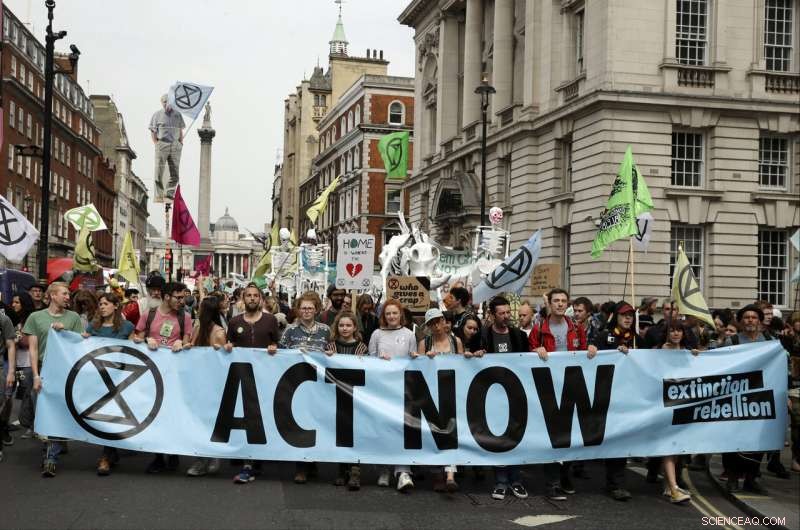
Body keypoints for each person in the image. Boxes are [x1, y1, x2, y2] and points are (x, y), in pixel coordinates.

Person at [529, 288, 597, 501]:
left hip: (570, 386)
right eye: (556, 300)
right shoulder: (539, 327)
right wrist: (534, 351)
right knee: (552, 435)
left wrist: (592, 349)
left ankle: (564, 475)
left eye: (563, 301)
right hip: (548, 387)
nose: (560, 304)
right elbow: (525, 353)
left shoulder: (576, 328)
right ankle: (552, 483)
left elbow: (584, 350)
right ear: (549, 303)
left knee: (570, 435)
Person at [24, 282, 85, 477]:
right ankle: (56, 442)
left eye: (68, 294)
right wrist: (35, 375)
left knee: (56, 412)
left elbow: (80, 343)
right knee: (42, 412)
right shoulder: (36, 318)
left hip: (65, 371)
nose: (68, 297)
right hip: (42, 368)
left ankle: (50, 459)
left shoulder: (73, 318)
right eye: (65, 294)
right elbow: (33, 349)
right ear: (52, 296)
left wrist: (65, 333)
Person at [133, 281, 192, 474]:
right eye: (178, 297)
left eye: (183, 297)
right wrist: (145, 340)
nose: (182, 301)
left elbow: (188, 342)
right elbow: (135, 338)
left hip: (174, 375)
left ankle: (173, 453)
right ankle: (157, 456)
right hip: (151, 374)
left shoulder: (185, 318)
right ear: (167, 296)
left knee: (172, 414)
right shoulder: (149, 315)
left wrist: (182, 345)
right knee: (153, 414)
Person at [225, 283, 280, 485]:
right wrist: (228, 346)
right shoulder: (234, 322)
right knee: (246, 418)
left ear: (261, 299)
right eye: (248, 295)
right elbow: (228, 345)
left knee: (262, 417)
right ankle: (247, 461)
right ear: (242, 299)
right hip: (242, 377)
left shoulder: (270, 320)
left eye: (255, 295)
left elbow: (278, 345)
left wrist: (275, 347)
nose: (252, 299)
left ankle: (259, 456)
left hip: (265, 378)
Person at [479, 296, 530, 501]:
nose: (506, 316)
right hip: (493, 397)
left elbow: (527, 361)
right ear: (492, 315)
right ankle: (501, 481)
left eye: (508, 312)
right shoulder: (484, 335)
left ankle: (516, 480)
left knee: (516, 438)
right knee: (498, 440)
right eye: (501, 313)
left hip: (516, 395)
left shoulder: (518, 335)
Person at [718, 304, 771, 493]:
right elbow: (718, 364)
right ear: (741, 321)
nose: (750, 320)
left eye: (754, 317)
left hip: (761, 398)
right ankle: (732, 476)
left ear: (759, 321)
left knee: (759, 440)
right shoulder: (732, 341)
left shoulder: (769, 341)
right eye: (746, 317)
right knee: (734, 438)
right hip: (736, 397)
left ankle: (751, 477)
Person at [279, 291, 330, 484]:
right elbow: (281, 355)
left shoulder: (325, 330)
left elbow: (331, 351)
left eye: (310, 308)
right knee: (300, 425)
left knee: (316, 424)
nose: (306, 311)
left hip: (318, 386)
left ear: (316, 310)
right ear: (298, 310)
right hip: (296, 386)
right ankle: (301, 466)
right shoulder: (290, 331)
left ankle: (313, 461)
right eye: (303, 308)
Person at [82, 293, 135, 476]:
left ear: (115, 305)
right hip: (99, 377)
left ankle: (106, 456)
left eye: (105, 304)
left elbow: (134, 350)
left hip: (120, 377)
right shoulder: (93, 326)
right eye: (100, 304)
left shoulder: (127, 327)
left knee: (112, 416)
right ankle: (110, 453)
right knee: (102, 416)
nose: (102, 307)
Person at [368, 300, 418, 491]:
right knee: (383, 429)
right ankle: (383, 469)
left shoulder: (409, 335)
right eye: (388, 314)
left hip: (403, 388)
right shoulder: (376, 334)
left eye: (394, 313)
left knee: (402, 428)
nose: (391, 317)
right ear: (383, 316)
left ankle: (403, 471)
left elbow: (414, 359)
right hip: (382, 389)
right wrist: (379, 360)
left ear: (400, 315)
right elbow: (370, 361)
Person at [592, 300, 637, 501]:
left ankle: (617, 483)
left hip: (630, 397)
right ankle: (613, 482)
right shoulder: (605, 337)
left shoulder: (636, 339)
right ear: (616, 317)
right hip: (607, 396)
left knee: (623, 440)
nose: (628, 318)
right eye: (624, 315)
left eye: (631, 315)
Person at [418, 308, 463, 492]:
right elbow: (417, 368)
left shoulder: (455, 341)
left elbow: (462, 365)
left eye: (438, 321)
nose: (436, 326)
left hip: (451, 391)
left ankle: (450, 473)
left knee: (451, 431)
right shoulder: (425, 342)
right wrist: (424, 359)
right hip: (431, 393)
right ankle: (437, 473)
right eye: (431, 323)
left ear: (444, 321)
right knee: (434, 431)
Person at [184, 296, 228, 478]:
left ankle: (209, 456)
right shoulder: (197, 328)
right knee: (200, 421)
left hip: (213, 383)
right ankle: (204, 457)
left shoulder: (218, 332)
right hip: (198, 381)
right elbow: (193, 347)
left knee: (209, 421)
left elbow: (223, 360)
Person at [651, 320, 694, 503]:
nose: (676, 334)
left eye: (679, 331)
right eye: (672, 330)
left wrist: (698, 356)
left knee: (675, 448)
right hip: (664, 403)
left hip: (682, 402)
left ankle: (668, 485)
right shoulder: (658, 350)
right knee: (669, 446)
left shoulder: (688, 352)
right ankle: (674, 488)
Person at [325, 311, 368, 490]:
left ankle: (355, 470)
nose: (345, 328)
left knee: (355, 433)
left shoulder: (362, 348)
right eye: (341, 325)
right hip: (336, 395)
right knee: (340, 432)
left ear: (355, 327)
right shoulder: (331, 347)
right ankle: (342, 469)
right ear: (337, 327)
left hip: (356, 396)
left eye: (348, 325)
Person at [7, 293, 36, 440]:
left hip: (27, 364)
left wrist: (16, 338)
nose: (13, 305)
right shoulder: (13, 320)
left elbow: (27, 343)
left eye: (17, 302)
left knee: (28, 395)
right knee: (10, 394)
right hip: (14, 363)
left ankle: (31, 426)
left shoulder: (30, 319)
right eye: (13, 302)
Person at [150, 94, 185, 202]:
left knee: (175, 173)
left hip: (175, 145)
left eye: (168, 101)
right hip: (162, 144)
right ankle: (160, 194)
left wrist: (180, 142)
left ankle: (169, 193)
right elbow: (153, 130)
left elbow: (180, 129)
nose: (166, 103)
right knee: (158, 172)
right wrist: (156, 143)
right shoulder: (156, 115)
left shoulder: (178, 115)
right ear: (162, 103)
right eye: (164, 101)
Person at [0, 304, 18, 452]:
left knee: (3, 402)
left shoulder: (3, 319)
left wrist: (11, 371)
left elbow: (11, 345)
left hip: (0, 367)